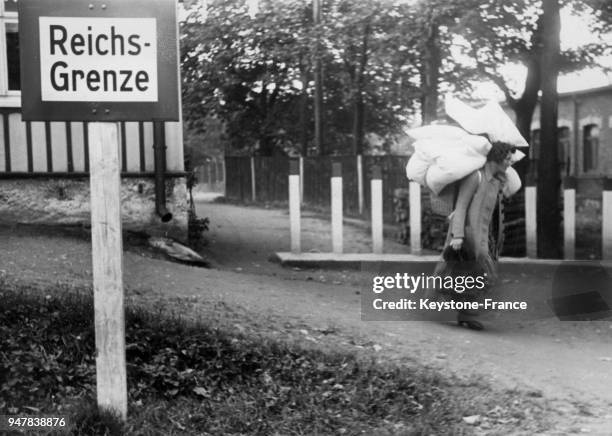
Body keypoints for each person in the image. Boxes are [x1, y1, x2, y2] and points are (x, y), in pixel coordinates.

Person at [432, 141, 518, 330]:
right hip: (465, 235)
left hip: (485, 237)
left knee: (479, 275)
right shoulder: (475, 177)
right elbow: (461, 206)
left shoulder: (497, 181)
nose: (511, 161)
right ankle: (433, 302)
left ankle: (467, 315)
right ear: (497, 158)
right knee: (451, 272)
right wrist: (457, 236)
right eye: (508, 158)